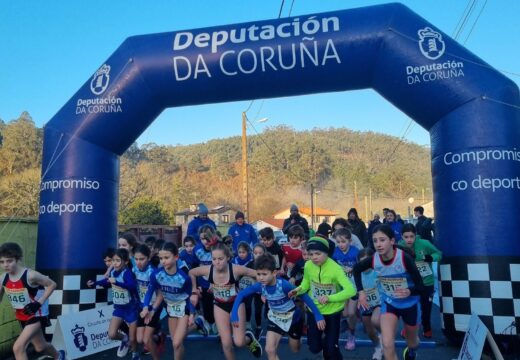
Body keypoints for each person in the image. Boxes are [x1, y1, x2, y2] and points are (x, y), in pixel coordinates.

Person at [231, 254, 325, 360]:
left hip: (292, 318)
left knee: (295, 349)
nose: (261, 278)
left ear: (274, 273)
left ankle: (297, 339)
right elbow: (241, 294)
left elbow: (303, 295)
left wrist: (318, 315)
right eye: (258, 274)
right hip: (275, 318)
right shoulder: (260, 286)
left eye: (264, 274)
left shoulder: (284, 285)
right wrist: (234, 314)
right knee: (269, 349)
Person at [353, 224, 426, 360]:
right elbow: (356, 269)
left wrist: (410, 291)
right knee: (387, 344)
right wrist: (361, 292)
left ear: (392, 241)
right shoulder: (374, 259)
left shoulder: (404, 259)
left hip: (410, 305)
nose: (378, 244)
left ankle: (411, 351)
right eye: (375, 241)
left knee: (413, 342)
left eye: (382, 240)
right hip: (390, 303)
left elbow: (422, 287)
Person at [189, 242, 262, 359]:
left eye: (221, 259)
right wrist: (193, 292)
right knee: (226, 343)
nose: (217, 262)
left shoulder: (236, 269)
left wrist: (263, 289)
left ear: (228, 258)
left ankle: (248, 339)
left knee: (239, 342)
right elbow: (192, 273)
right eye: (214, 259)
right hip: (219, 305)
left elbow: (259, 275)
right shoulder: (208, 270)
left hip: (236, 305)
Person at [289, 237, 356, 360]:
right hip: (314, 310)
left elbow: (351, 290)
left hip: (332, 312)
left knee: (331, 350)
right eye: (311, 254)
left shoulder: (336, 269)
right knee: (314, 348)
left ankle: (330, 347)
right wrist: (296, 290)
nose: (314, 257)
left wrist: (329, 298)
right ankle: (327, 344)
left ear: (326, 253)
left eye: (318, 254)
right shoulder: (308, 265)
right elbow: (306, 284)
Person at [0, 242, 66, 360]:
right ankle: (58, 355)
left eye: (9, 261)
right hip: (22, 316)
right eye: (2, 262)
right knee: (40, 347)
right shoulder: (3, 278)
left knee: (18, 348)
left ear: (18, 259)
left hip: (37, 314)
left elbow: (52, 284)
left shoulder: (30, 275)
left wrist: (38, 303)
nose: (5, 265)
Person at [141, 242, 196, 360]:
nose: (163, 261)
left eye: (167, 257)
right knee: (176, 343)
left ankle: (196, 323)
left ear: (176, 257)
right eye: (161, 258)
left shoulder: (184, 277)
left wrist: (191, 313)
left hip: (183, 308)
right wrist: (146, 307)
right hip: (170, 309)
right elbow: (150, 291)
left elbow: (189, 295)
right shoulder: (156, 275)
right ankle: (197, 325)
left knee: (176, 342)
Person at [87, 248, 140, 360]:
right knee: (112, 334)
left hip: (131, 309)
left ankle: (135, 354)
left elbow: (132, 286)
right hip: (119, 309)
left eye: (117, 260)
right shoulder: (112, 272)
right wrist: (95, 283)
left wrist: (118, 282)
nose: (114, 263)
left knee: (133, 337)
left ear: (125, 262)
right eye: (113, 261)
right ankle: (124, 340)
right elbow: (107, 283)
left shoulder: (127, 273)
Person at [399, 223, 442, 338]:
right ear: (402, 237)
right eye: (406, 237)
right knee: (408, 307)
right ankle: (407, 328)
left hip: (426, 282)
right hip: (410, 283)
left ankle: (427, 328)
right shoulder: (400, 246)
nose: (409, 240)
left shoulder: (424, 243)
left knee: (426, 307)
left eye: (411, 236)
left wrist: (431, 258)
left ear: (415, 235)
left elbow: (438, 253)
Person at [132, 244, 165, 359]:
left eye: (142, 259)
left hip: (154, 306)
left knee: (146, 339)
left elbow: (160, 294)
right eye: (136, 259)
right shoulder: (134, 269)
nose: (138, 262)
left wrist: (152, 309)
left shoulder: (153, 272)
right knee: (140, 339)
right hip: (142, 305)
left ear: (148, 258)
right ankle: (158, 337)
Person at [331, 228, 359, 351]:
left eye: (343, 241)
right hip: (342, 288)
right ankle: (348, 323)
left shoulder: (356, 252)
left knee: (351, 313)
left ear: (350, 241)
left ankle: (351, 336)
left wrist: (353, 268)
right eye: (338, 242)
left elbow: (361, 266)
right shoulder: (335, 253)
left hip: (354, 287)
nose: (341, 244)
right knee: (345, 313)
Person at [357, 248, 382, 360]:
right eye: (362, 262)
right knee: (370, 331)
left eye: (367, 261)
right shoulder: (357, 274)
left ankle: (383, 335)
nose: (365, 265)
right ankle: (378, 346)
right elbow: (354, 288)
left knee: (375, 320)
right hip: (366, 304)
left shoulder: (378, 272)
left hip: (379, 302)